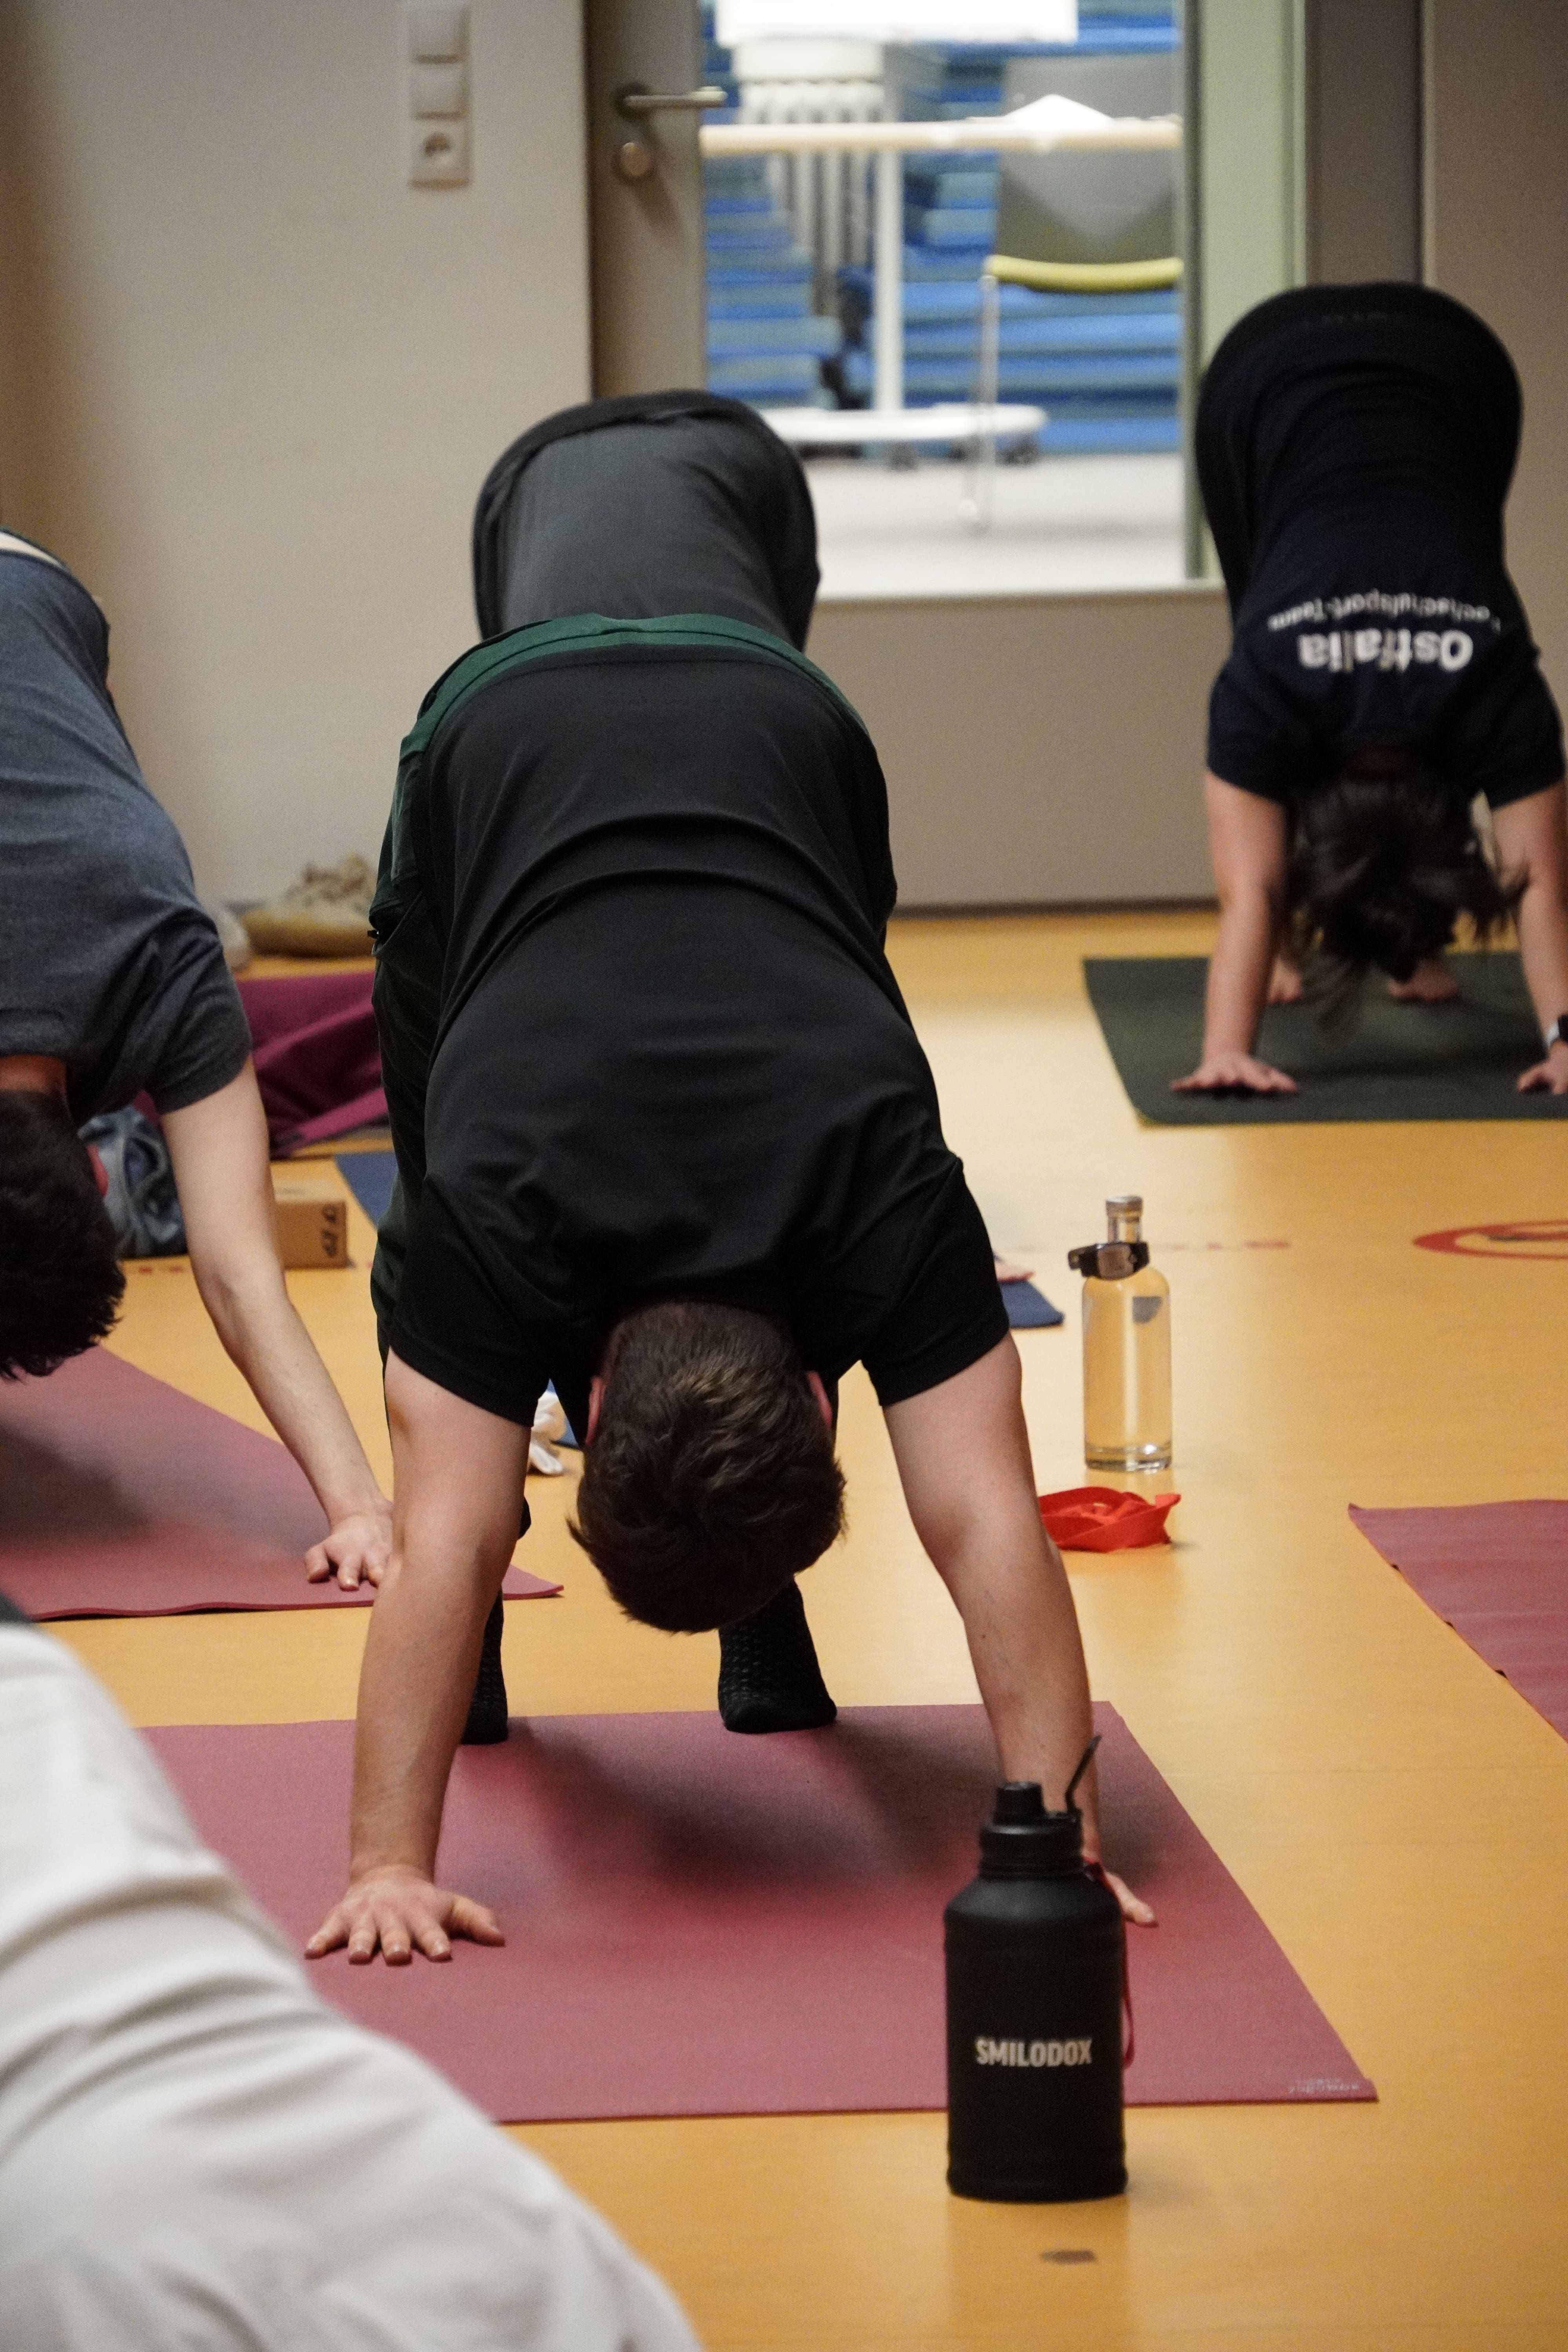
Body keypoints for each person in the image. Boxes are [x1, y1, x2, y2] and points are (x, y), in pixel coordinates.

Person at [307, 392, 1151, 1966]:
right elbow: (984, 1523)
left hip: (701, 716)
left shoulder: (861, 1188)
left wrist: (388, 1870)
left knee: (439, 1316)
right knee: (430, 1220)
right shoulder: (856, 1196)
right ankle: (633, 1620)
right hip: (631, 723)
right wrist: (1060, 1851)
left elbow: (444, 1540)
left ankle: (691, 1598)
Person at [0, 1592, 698, 2351]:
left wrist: (391, 1869)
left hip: (103, 2212)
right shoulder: (560, 2273)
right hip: (400, 2182)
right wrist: (390, 1866)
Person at [0, 530, 390, 1583]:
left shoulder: (165, 955)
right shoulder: (166, 963)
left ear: (98, 1172)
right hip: (32, 585)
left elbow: (234, 1271)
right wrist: (357, 1509)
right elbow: (240, 1271)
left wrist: (364, 1506)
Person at [1176, 283, 1568, 1098]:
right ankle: (1389, 952)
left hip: (1434, 356)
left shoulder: (1483, 686)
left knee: (1265, 610)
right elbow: (1539, 884)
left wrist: (1227, 1049)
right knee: (1263, 608)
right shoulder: (1274, 693)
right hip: (1324, 368)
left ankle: (1382, 950)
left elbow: (1252, 889)